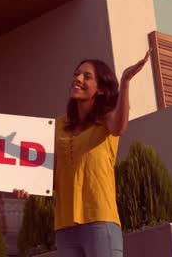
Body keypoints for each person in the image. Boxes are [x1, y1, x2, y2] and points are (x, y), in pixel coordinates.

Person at [51, 50, 151, 257]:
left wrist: (125, 82)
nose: (77, 79)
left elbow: (119, 128)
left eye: (87, 77)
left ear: (101, 90)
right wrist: (25, 185)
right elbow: (50, 173)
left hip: (99, 220)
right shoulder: (58, 125)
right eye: (77, 74)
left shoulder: (107, 120)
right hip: (64, 225)